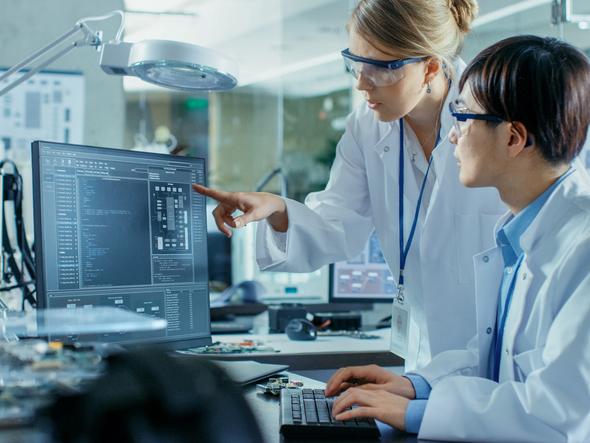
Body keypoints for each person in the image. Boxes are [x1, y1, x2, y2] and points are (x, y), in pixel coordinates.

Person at [195, 0, 506, 370]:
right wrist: (277, 209)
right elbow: (338, 224)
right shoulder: (367, 126)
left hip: (500, 353)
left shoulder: (495, 115)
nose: (360, 82)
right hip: (424, 358)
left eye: (380, 68)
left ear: (431, 67)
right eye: (355, 62)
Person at [326, 35, 590, 442]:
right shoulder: (525, 231)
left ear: (513, 138)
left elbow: (557, 414)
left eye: (464, 118)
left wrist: (415, 414)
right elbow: (501, 359)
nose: (452, 135)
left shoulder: (582, 247)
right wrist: (417, 386)